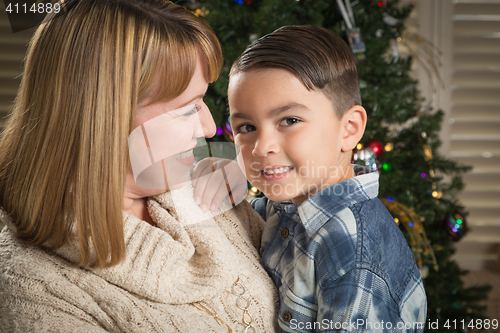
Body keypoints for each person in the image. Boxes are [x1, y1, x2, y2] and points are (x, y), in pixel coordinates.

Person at [0, 1, 279, 332]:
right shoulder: (34, 292)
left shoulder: (204, 193)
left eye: (203, 101)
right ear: (104, 118)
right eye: (187, 108)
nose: (208, 127)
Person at [195, 25, 427, 332]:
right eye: (246, 128)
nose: (263, 147)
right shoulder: (284, 205)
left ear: (349, 129)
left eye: (289, 120)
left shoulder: (349, 250)